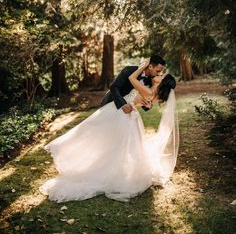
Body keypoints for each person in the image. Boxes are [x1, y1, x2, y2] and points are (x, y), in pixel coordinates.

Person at [39, 59, 178, 203]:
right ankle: (115, 168)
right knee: (115, 142)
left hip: (127, 115)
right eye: (159, 72)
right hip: (120, 109)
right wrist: (137, 101)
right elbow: (117, 87)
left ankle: (112, 171)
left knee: (119, 144)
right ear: (151, 67)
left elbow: (137, 88)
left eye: (161, 75)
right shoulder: (139, 77)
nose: (159, 74)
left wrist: (143, 98)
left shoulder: (150, 85)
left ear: (161, 82)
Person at [101, 54, 166, 112]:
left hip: (129, 109)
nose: (159, 74)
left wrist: (147, 106)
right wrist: (123, 104)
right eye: (158, 71)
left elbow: (144, 97)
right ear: (150, 67)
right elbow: (114, 87)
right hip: (111, 103)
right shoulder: (129, 70)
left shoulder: (151, 80)